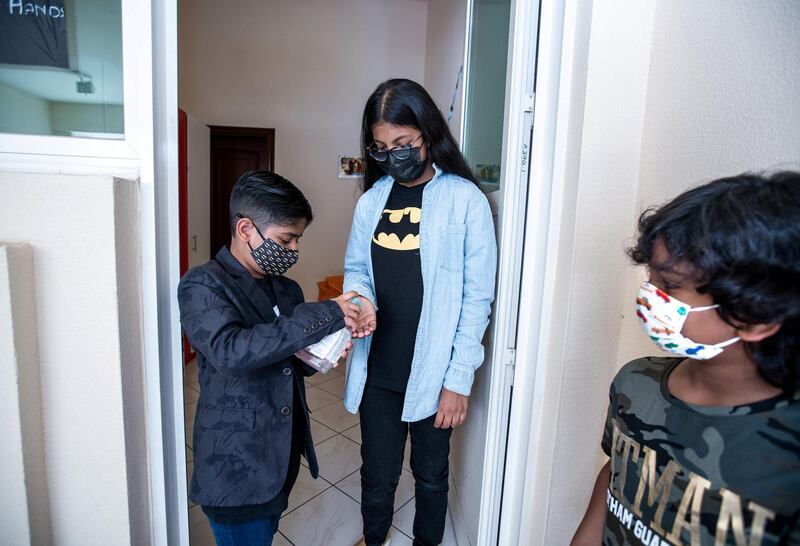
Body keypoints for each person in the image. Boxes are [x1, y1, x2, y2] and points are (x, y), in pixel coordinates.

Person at [571, 172, 800, 546]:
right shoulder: (636, 382)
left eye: (671, 286)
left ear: (756, 315)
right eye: (651, 278)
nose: (649, 296)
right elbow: (616, 474)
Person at [343, 79, 497, 546]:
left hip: (435, 371)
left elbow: (477, 299)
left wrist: (458, 380)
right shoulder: (371, 203)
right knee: (378, 472)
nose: (393, 155)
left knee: (431, 474)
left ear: (428, 135)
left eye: (403, 144)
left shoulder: (465, 200)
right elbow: (356, 270)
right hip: (380, 368)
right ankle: (374, 538)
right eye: (381, 147)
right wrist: (360, 297)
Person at [178, 171, 361, 546]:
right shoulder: (203, 284)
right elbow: (231, 351)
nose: (294, 250)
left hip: (279, 456)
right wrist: (327, 313)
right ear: (245, 228)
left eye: (298, 239)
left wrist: (321, 355)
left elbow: (288, 361)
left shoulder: (287, 288)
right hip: (235, 469)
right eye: (286, 238)